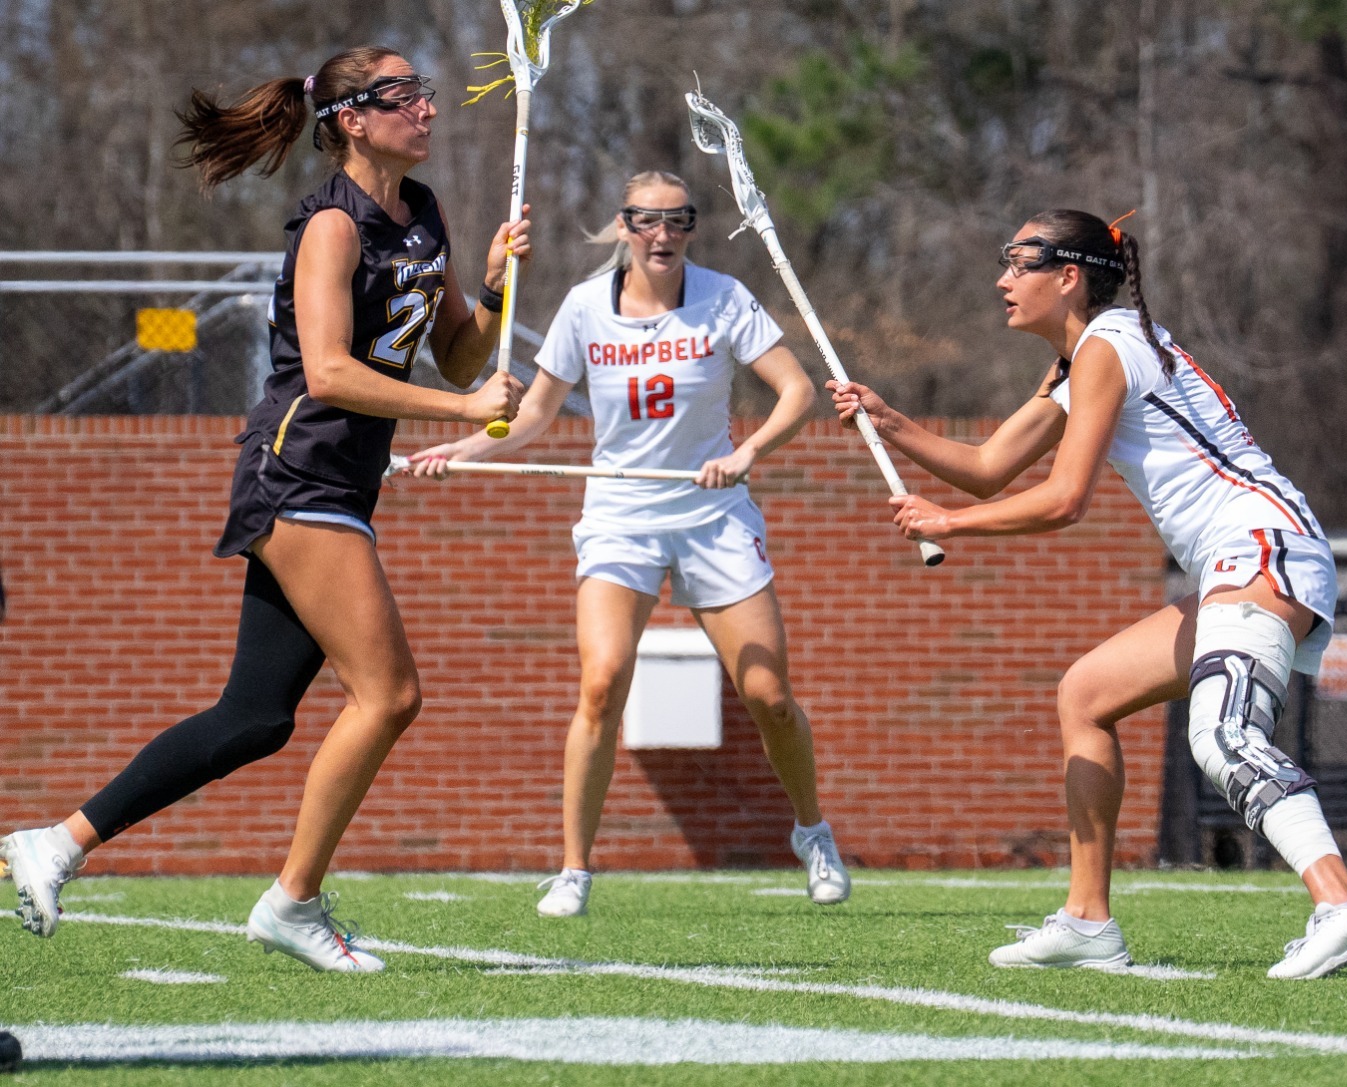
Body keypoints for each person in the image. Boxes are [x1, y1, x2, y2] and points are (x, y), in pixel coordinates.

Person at [0, 46, 529, 972]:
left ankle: (57, 842)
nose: (430, 110)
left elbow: (453, 354)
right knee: (390, 693)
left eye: (427, 93)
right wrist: (463, 413)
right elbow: (328, 371)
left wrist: (487, 287)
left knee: (256, 716)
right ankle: (294, 899)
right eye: (407, 96)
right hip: (298, 473)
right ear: (354, 119)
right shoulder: (333, 225)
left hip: (342, 483)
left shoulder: (427, 214)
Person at [828, 209, 1347, 979]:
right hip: (1237, 557)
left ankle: (1343, 902)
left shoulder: (1106, 347)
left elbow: (1066, 499)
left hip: (1263, 543)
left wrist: (952, 524)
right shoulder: (1080, 357)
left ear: (1067, 276)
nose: (1001, 279)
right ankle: (1088, 921)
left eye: (1017, 262)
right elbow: (993, 462)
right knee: (1086, 694)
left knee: (1222, 737)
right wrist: (889, 420)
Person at [408, 171, 849, 916]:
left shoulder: (723, 299)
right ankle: (575, 867)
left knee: (769, 693)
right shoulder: (584, 307)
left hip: (713, 513)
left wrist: (749, 455)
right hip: (620, 516)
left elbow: (798, 393)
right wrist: (464, 450)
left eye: (679, 220)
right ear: (623, 227)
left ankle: (813, 831)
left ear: (691, 229)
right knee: (603, 679)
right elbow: (535, 416)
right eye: (648, 220)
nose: (663, 234)